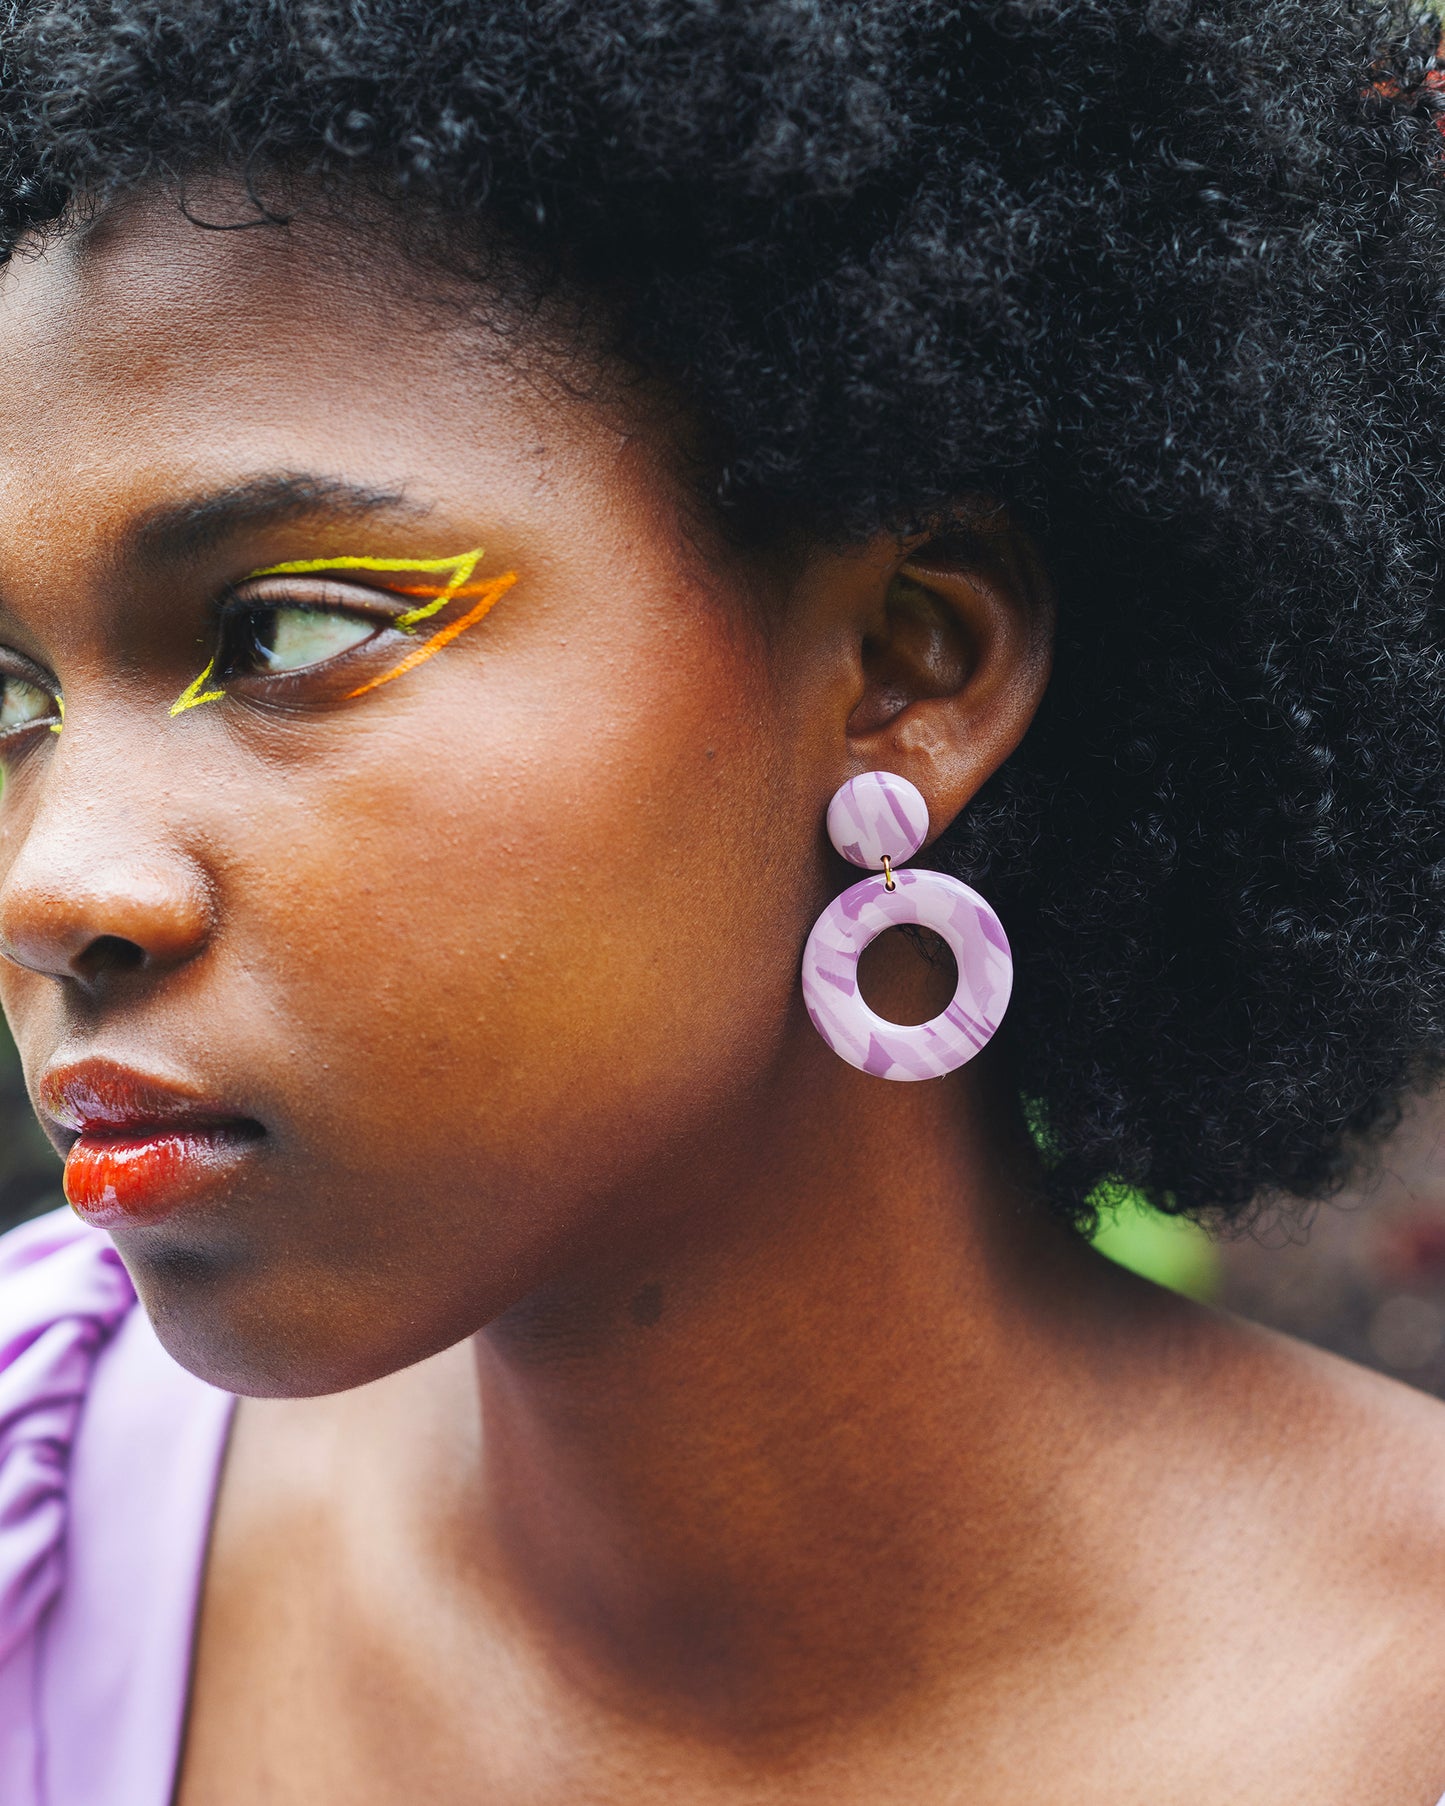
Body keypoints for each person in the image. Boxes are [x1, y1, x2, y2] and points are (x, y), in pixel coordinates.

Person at [1, 0, 1445, 1800]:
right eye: (14, 701)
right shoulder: (33, 1509)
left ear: (909, 665)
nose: (57, 881)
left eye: (285, 631)